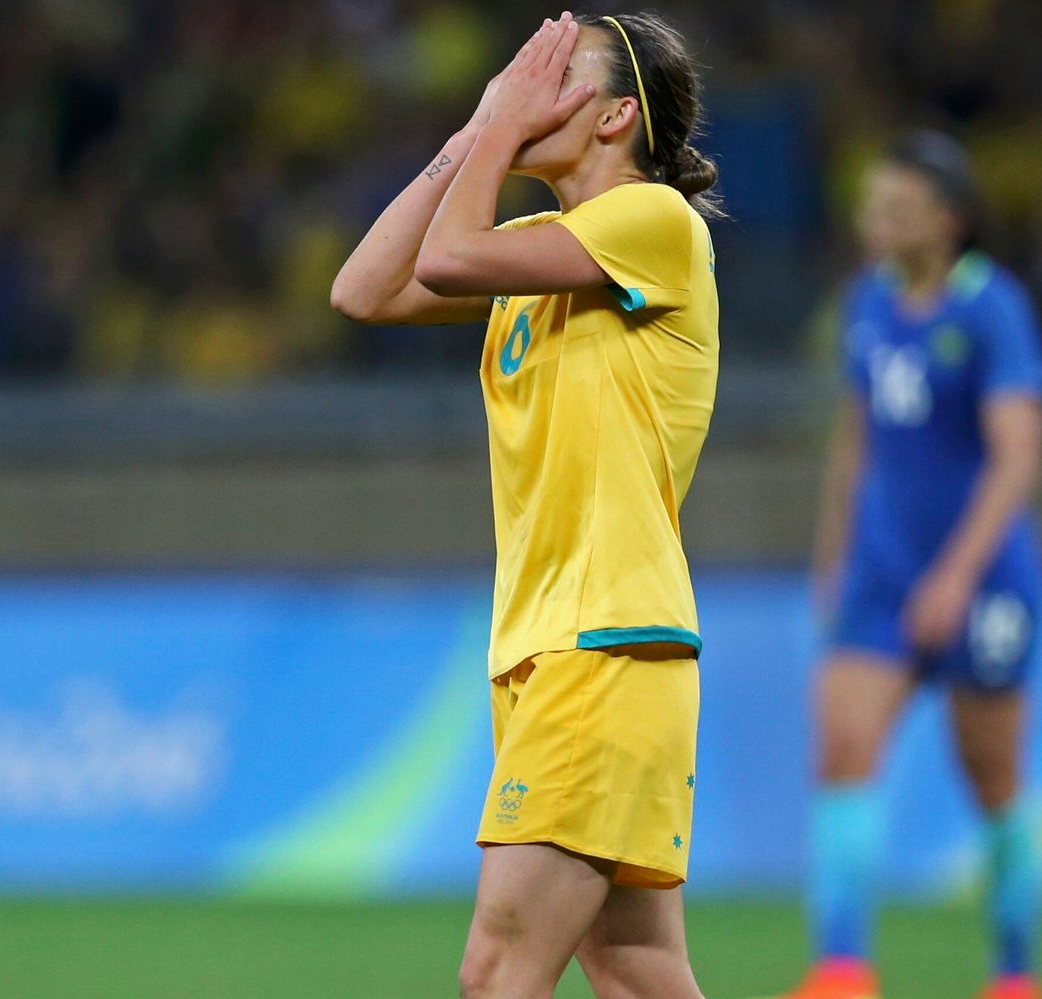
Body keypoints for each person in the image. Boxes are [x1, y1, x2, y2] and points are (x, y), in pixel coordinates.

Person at [330, 12, 720, 998]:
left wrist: (498, 131)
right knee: (635, 970)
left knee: (497, 969)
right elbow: (365, 290)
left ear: (616, 116)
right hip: (551, 645)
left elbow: (448, 258)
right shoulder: (542, 249)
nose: (525, 86)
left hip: (605, 642)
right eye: (522, 72)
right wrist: (472, 140)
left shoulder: (651, 221)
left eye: (555, 75)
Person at [785, 133, 1042, 999]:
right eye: (871, 206)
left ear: (948, 219)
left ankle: (1014, 974)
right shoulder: (864, 302)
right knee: (842, 748)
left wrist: (956, 575)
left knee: (993, 777)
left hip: (983, 582)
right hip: (880, 577)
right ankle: (841, 967)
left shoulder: (991, 308)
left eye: (894, 207)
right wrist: (834, 554)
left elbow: (1018, 456)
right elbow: (855, 437)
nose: (874, 221)